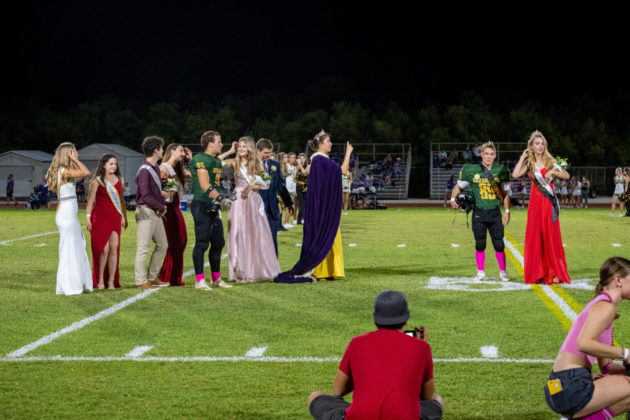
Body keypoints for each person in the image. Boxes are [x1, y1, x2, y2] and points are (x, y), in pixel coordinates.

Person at [307, 290, 444, 420]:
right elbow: (427, 396)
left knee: (315, 396)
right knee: (437, 400)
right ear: (406, 319)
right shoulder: (421, 347)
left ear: (374, 318)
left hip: (360, 417)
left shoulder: (357, 343)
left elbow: (338, 390)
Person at [544, 257, 630, 419]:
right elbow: (584, 343)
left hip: (557, 387)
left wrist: (625, 365)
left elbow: (607, 366)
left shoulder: (602, 305)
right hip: (572, 386)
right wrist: (625, 353)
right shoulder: (605, 307)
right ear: (618, 280)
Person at [275, 130, 352, 283]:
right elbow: (342, 171)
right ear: (321, 144)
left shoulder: (318, 160)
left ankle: (327, 270)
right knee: (326, 235)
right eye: (328, 141)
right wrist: (348, 153)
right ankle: (321, 271)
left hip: (322, 206)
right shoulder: (320, 160)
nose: (331, 144)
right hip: (323, 208)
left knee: (328, 235)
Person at [512, 130, 570, 285]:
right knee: (535, 237)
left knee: (550, 236)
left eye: (542, 143)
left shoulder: (550, 159)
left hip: (548, 202)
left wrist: (552, 170)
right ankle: (537, 273)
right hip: (535, 203)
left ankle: (554, 272)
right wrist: (523, 157)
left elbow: (567, 175)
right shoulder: (529, 161)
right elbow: (516, 174)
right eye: (537, 143)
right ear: (531, 145)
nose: (540, 146)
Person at [451, 141, 511, 282]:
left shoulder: (501, 170)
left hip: (495, 213)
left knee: (499, 244)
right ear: (481, 155)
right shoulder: (472, 170)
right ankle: (480, 272)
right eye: (486, 154)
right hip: (479, 213)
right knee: (480, 243)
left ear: (495, 155)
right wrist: (452, 199)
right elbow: (458, 187)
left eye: (491, 154)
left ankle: (503, 272)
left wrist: (507, 211)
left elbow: (506, 193)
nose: (489, 157)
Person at [226, 137, 281, 283]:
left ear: (250, 148)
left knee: (253, 235)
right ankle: (238, 272)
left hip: (252, 200)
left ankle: (253, 270)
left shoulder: (257, 164)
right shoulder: (234, 162)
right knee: (237, 234)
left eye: (244, 146)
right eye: (240, 146)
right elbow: (216, 161)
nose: (241, 149)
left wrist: (250, 187)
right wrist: (230, 151)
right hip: (238, 201)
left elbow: (266, 185)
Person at [189, 130, 236, 291]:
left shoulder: (215, 160)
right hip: (202, 204)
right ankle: (199, 280)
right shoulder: (200, 158)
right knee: (202, 243)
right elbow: (204, 184)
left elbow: (217, 167)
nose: (222, 144)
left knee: (218, 242)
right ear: (210, 144)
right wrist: (221, 199)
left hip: (214, 205)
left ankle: (216, 278)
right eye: (219, 141)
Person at [45, 142, 93, 295]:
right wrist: (76, 160)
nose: (77, 152)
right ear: (68, 154)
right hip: (66, 214)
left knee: (76, 247)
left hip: (68, 212)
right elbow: (86, 172)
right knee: (70, 250)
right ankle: (70, 285)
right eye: (74, 151)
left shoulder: (64, 170)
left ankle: (79, 283)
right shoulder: (64, 170)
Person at [85, 154, 127, 290]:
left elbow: (121, 201)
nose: (113, 166)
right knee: (104, 249)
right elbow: (90, 202)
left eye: (115, 163)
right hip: (100, 217)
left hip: (114, 217)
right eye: (110, 163)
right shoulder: (97, 181)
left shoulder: (120, 179)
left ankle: (111, 281)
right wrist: (88, 218)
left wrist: (124, 216)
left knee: (114, 249)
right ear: (104, 165)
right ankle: (100, 279)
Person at [134, 135, 170, 290]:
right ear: (156, 151)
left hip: (154, 211)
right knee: (143, 248)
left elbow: (151, 191)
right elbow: (145, 195)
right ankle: (141, 281)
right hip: (146, 211)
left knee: (163, 244)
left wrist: (160, 194)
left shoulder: (155, 168)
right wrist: (161, 207)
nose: (163, 151)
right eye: (161, 148)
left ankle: (152, 276)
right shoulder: (144, 170)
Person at [157, 143, 192, 286]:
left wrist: (191, 159)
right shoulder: (163, 167)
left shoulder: (178, 168)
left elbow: (194, 173)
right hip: (167, 209)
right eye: (181, 150)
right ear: (172, 151)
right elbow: (152, 186)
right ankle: (169, 276)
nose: (183, 153)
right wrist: (162, 193)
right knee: (175, 242)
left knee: (181, 240)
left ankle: (169, 274)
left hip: (176, 208)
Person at [256, 138, 294, 256]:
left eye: (270, 153)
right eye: (266, 153)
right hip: (256, 208)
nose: (268, 155)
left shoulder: (275, 165)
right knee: (256, 240)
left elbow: (280, 186)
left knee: (272, 239)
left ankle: (273, 268)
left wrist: (289, 203)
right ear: (258, 151)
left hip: (272, 208)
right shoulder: (250, 165)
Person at [283, 152, 298, 229]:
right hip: (287, 187)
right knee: (289, 205)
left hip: (293, 186)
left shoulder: (294, 166)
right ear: (288, 158)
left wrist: (295, 171)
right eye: (291, 157)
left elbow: (294, 178)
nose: (293, 159)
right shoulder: (286, 165)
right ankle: (286, 222)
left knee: (292, 205)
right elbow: (284, 175)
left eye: (294, 157)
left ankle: (287, 222)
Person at [295, 152, 309, 224]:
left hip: (306, 186)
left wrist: (299, 165)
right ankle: (305, 219)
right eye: (300, 158)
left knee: (305, 203)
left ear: (305, 159)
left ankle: (298, 220)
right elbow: (294, 178)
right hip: (298, 187)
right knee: (302, 203)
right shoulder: (297, 167)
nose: (302, 159)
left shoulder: (308, 165)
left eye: (303, 158)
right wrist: (296, 168)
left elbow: (304, 172)